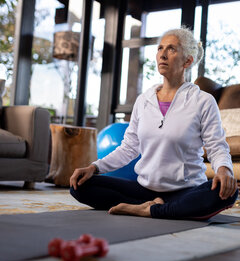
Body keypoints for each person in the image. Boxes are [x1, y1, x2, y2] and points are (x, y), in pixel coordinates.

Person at [70, 26, 238, 220]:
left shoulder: (203, 101)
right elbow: (128, 148)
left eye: (171, 49)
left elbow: (217, 147)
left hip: (185, 190)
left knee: (228, 192)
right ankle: (157, 207)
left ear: (188, 61)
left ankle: (148, 210)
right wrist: (93, 168)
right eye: (160, 48)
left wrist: (224, 171)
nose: (163, 54)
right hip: (143, 189)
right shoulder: (144, 100)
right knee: (80, 185)